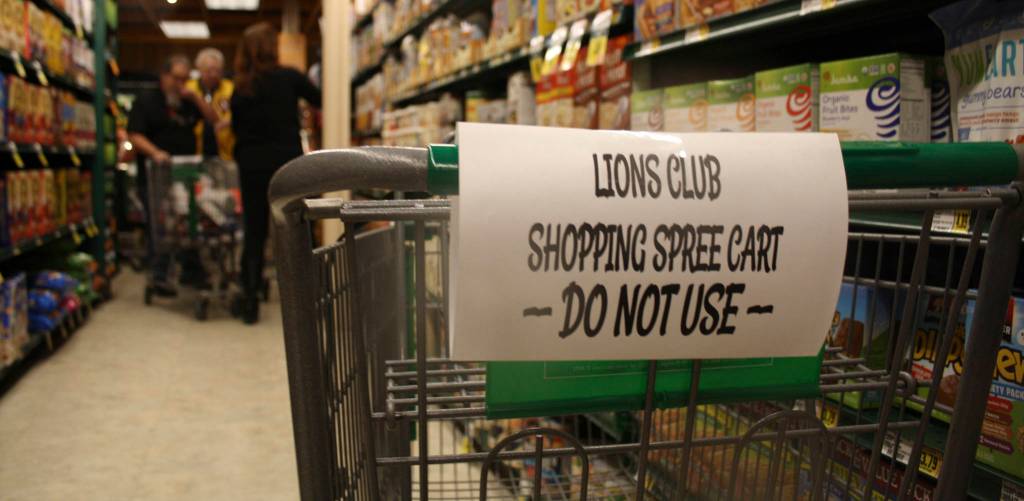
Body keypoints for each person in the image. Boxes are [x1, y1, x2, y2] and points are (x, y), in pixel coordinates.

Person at [231, 23, 321, 324]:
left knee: (254, 232)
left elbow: (236, 130)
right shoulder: (290, 78)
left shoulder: (240, 87)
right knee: (295, 228)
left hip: (252, 165)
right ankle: (306, 297)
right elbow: (322, 98)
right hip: (286, 164)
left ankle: (250, 299)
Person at [128, 54, 221, 295]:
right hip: (156, 176)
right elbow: (134, 135)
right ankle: (159, 275)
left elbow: (214, 120)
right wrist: (156, 153)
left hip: (186, 176)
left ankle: (190, 271)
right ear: (164, 76)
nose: (179, 84)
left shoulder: (188, 101)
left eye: (184, 79)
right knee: (161, 228)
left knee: (188, 224)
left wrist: (197, 98)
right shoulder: (147, 100)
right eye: (175, 78)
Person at [187, 48, 234, 161]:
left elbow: (241, 114)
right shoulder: (189, 88)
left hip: (226, 152)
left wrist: (229, 122)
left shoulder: (231, 88)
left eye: (217, 70)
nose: (213, 74)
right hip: (195, 150)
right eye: (209, 70)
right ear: (199, 69)